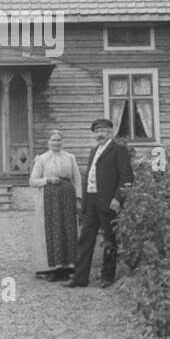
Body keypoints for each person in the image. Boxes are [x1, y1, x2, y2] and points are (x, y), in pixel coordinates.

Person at [63, 117, 133, 289]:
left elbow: (127, 178)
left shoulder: (119, 150)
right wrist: (84, 201)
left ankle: (107, 277)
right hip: (91, 201)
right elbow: (90, 176)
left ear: (111, 132)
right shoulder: (94, 150)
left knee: (109, 239)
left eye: (103, 131)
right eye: (97, 131)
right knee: (85, 239)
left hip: (108, 202)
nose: (100, 134)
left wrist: (118, 198)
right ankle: (80, 278)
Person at [28, 129, 82, 280]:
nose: (56, 143)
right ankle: (52, 267)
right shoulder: (42, 159)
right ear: (48, 142)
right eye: (53, 140)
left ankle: (68, 267)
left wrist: (78, 198)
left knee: (68, 229)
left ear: (62, 142)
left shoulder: (70, 157)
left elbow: (77, 179)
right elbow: (32, 181)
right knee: (53, 229)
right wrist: (47, 180)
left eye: (59, 140)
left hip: (68, 198)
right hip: (49, 200)